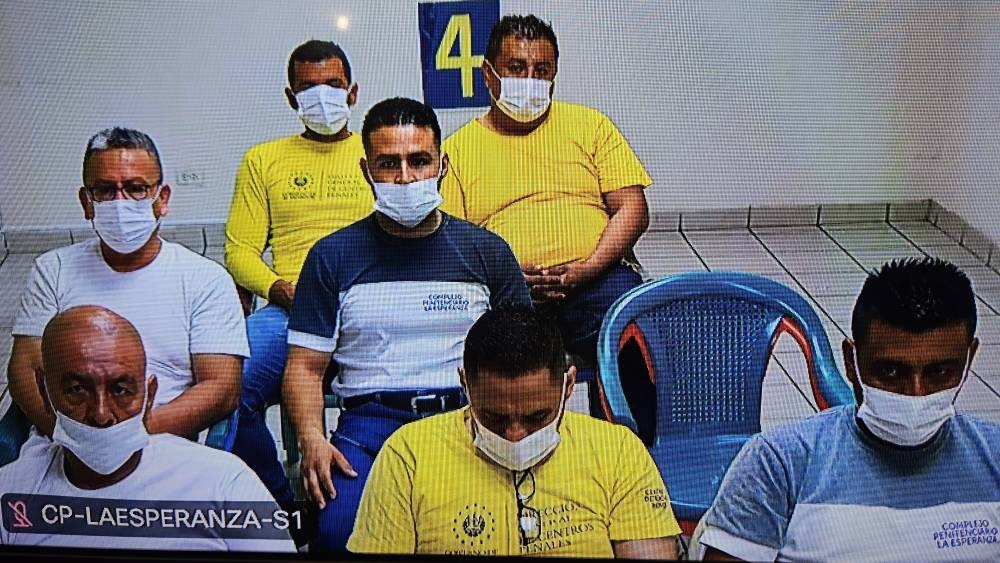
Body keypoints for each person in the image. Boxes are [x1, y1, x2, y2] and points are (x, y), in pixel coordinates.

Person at [282, 97, 532, 552]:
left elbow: (525, 357)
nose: (405, 177)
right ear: (366, 171)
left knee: (496, 532)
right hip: (369, 429)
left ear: (442, 165)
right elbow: (304, 367)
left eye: (419, 161)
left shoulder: (487, 252)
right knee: (338, 535)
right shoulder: (331, 257)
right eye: (388, 164)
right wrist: (312, 438)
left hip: (469, 422)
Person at [696, 258, 1000, 562]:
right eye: (891, 372)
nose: (915, 393)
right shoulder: (779, 462)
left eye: (939, 372)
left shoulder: (994, 457)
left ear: (969, 359)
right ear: (851, 362)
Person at [440, 14, 653, 411]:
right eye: (516, 68)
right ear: (488, 74)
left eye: (541, 70)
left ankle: (625, 441)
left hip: (597, 280)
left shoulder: (590, 126)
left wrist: (588, 268)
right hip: (506, 294)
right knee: (499, 366)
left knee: (637, 334)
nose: (530, 80)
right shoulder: (458, 149)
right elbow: (449, 241)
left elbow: (633, 208)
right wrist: (506, 275)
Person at [348, 307, 681, 558]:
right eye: (494, 418)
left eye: (537, 417)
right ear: (465, 384)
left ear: (568, 387)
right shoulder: (408, 456)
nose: (515, 436)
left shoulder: (617, 451)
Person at [6, 127, 247, 451]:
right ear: (87, 202)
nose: (120, 203)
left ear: (162, 199)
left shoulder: (205, 279)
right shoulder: (53, 270)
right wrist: (72, 439)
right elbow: (24, 370)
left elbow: (222, 387)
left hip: (162, 447)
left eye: (136, 189)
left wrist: (125, 439)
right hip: (62, 448)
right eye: (105, 191)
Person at [0, 306, 294, 552]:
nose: (101, 414)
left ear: (149, 395)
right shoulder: (10, 493)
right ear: (45, 392)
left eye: (121, 390)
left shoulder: (225, 483)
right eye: (77, 389)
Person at [224, 40, 372, 506]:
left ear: (353, 93)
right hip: (290, 312)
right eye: (308, 88)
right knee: (226, 389)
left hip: (370, 308)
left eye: (333, 84)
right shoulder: (263, 160)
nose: (322, 96)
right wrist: (278, 288)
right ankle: (279, 502)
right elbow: (239, 250)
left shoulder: (381, 153)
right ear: (291, 98)